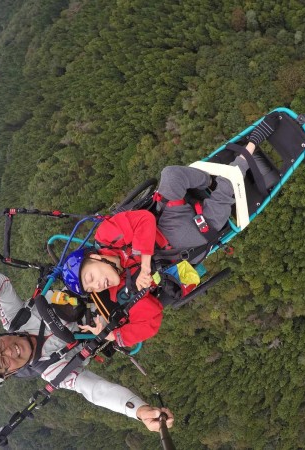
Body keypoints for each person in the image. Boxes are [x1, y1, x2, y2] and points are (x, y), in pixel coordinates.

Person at [62, 113, 280, 344]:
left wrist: (144, 265)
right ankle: (249, 150)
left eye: (91, 276)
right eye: (91, 287)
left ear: (95, 257)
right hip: (177, 245)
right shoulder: (122, 293)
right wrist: (112, 335)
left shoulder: (106, 236)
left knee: (171, 174)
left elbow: (144, 220)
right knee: (212, 219)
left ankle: (211, 181)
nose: (97, 285)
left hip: (163, 219)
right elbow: (151, 320)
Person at [0, 272, 174, 432]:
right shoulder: (53, 371)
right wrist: (139, 410)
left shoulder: (15, 319)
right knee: (173, 287)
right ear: (9, 374)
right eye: (3, 363)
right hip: (121, 318)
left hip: (100, 280)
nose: (8, 351)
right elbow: (96, 390)